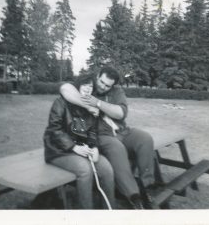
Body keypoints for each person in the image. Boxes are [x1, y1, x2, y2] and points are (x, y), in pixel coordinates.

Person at [59, 66, 157, 209]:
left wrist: (97, 103)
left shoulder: (116, 91)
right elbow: (65, 88)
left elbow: (120, 113)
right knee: (117, 149)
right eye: (101, 82)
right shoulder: (88, 86)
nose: (103, 87)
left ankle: (147, 187)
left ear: (113, 85)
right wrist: (86, 104)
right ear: (97, 75)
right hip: (102, 134)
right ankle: (133, 196)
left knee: (145, 139)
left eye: (107, 85)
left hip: (123, 131)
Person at [43, 74, 115, 209]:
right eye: (85, 85)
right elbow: (54, 130)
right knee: (84, 169)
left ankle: (110, 211)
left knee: (106, 168)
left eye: (91, 86)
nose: (88, 89)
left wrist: (94, 147)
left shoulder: (89, 107)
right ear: (77, 86)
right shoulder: (60, 102)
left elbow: (93, 131)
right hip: (59, 151)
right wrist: (73, 147)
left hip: (82, 149)